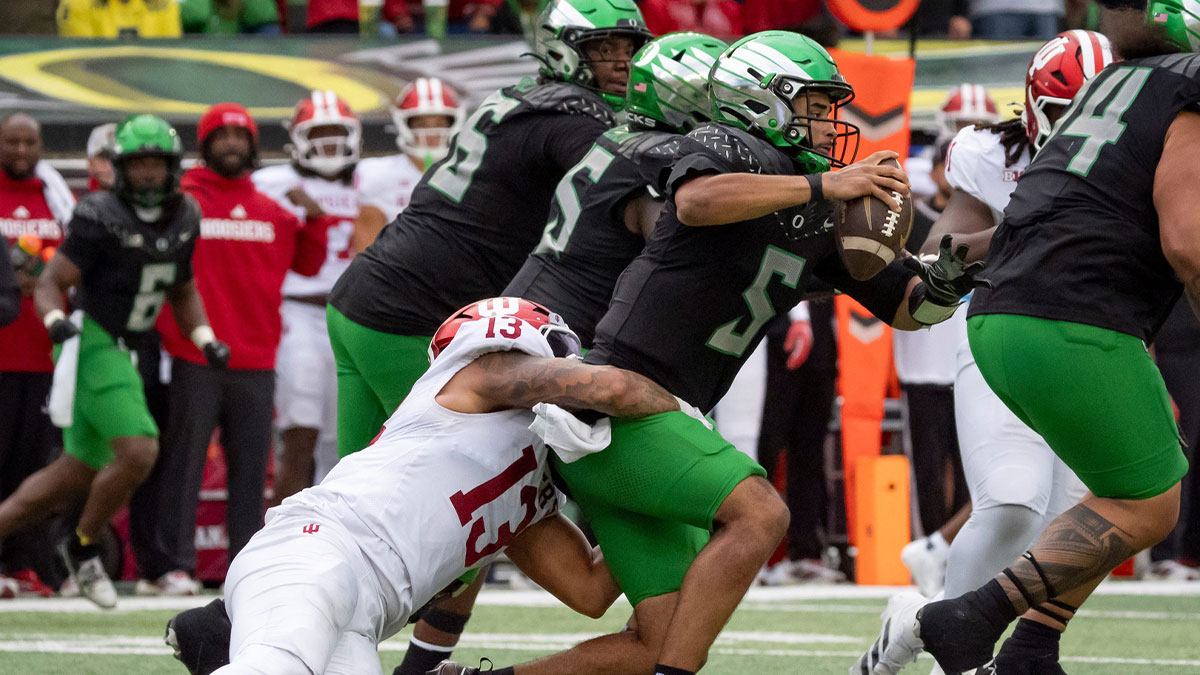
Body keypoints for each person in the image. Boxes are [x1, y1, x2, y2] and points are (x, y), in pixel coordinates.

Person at [437, 31, 983, 675]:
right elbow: (695, 201)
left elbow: (908, 308)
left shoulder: (821, 199)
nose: (828, 122)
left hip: (668, 421)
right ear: (760, 100)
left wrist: (946, 281)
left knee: (649, 634)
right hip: (622, 408)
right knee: (759, 513)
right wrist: (823, 187)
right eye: (813, 104)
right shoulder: (724, 146)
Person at [328, 4, 648, 671]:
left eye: (628, 45)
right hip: (416, 314)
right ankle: (414, 664)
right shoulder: (580, 118)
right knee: (460, 498)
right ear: (566, 50)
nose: (620, 58)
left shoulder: (517, 99)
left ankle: (225, 625)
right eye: (603, 46)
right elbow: (628, 181)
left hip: (370, 297)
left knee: (349, 501)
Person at [165, 297, 692, 675]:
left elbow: (591, 589)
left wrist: (666, 505)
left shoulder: (529, 490)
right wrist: (688, 439)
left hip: (365, 616)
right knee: (273, 668)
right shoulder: (477, 375)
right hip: (319, 549)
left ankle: (212, 636)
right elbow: (610, 386)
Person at [910, 3, 1200, 673]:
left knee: (1109, 495)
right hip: (1073, 316)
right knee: (1151, 502)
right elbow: (1186, 241)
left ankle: (1033, 649)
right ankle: (970, 616)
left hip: (1003, 315)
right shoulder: (1185, 87)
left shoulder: (1116, 85)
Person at [854, 28, 1116, 675]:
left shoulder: (1143, 157)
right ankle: (961, 660)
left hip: (1098, 347)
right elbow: (946, 246)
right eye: (1064, 110)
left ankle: (923, 621)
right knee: (1011, 499)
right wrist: (1026, 229)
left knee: (1079, 524)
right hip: (1006, 332)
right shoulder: (992, 155)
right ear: (1031, 106)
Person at [0, 115, 229, 609]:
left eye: (156, 164)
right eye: (138, 164)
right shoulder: (99, 214)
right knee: (140, 450)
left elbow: (182, 289)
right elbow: (47, 281)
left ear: (172, 168)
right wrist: (56, 319)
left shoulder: (185, 214)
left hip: (128, 346)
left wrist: (205, 337)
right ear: (121, 168)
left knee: (70, 475)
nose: (147, 175)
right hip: (92, 341)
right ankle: (83, 549)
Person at [129, 103, 328, 597]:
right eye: (222, 137)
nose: (233, 144)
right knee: (183, 466)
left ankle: (245, 568)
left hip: (258, 360)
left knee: (249, 474)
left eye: (241, 137)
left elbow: (308, 262)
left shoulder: (272, 210)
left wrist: (316, 219)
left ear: (254, 147)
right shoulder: (183, 202)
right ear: (205, 146)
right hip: (195, 356)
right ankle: (172, 565)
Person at [504, 30, 728, 347]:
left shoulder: (622, 137)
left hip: (525, 313)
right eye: (717, 92)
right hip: (557, 337)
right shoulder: (662, 155)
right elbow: (677, 256)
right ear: (684, 94)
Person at [253, 92, 361, 502]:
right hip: (298, 313)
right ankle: (276, 543)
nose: (329, 143)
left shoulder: (372, 179)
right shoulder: (271, 183)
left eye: (337, 133)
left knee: (343, 441)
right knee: (300, 431)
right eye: (319, 133)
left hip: (353, 318)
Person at [0, 112, 75, 599]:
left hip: (45, 355)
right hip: (3, 353)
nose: (22, 151)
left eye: (30, 142)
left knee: (35, 468)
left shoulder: (57, 199)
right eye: (12, 142)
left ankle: (23, 564)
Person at [354, 77, 464, 253]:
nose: (431, 133)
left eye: (439, 123)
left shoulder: (469, 172)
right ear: (403, 124)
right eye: (421, 124)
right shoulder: (375, 174)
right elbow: (365, 252)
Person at [56, 0, 183, 37]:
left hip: (152, 87)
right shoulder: (76, 4)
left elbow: (169, 60)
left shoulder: (163, 5)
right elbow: (79, 62)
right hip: (95, 91)